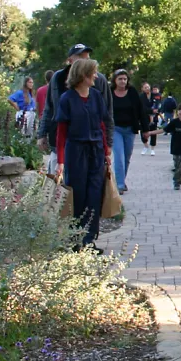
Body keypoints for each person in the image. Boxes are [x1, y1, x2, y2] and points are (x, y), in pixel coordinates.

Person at [54, 58, 110, 250]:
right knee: (78, 195)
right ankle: (75, 239)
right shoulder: (67, 98)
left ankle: (89, 240)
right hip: (76, 151)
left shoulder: (96, 96)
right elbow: (61, 132)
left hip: (96, 151)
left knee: (94, 194)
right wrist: (60, 161)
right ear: (83, 75)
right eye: (93, 72)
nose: (96, 76)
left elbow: (101, 125)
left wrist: (107, 152)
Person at [39, 44, 114, 157]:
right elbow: (49, 108)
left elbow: (107, 115)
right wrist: (42, 134)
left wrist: (108, 143)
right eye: (81, 57)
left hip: (91, 142)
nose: (85, 61)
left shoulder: (98, 80)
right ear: (70, 60)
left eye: (87, 58)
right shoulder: (57, 79)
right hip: (61, 140)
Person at [109, 69, 149, 193]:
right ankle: (119, 185)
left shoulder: (132, 92)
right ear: (115, 80)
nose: (122, 81)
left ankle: (122, 180)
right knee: (119, 157)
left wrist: (145, 129)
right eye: (120, 79)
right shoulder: (109, 92)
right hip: (115, 129)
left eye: (125, 79)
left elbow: (141, 111)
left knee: (126, 157)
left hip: (130, 129)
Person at [140, 84, 160, 156]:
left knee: (153, 132)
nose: (147, 89)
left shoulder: (154, 95)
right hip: (144, 116)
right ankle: (145, 146)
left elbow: (158, 103)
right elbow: (142, 107)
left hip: (154, 117)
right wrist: (151, 111)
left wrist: (157, 110)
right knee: (143, 131)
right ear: (142, 89)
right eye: (145, 87)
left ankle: (152, 149)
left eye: (148, 87)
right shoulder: (141, 97)